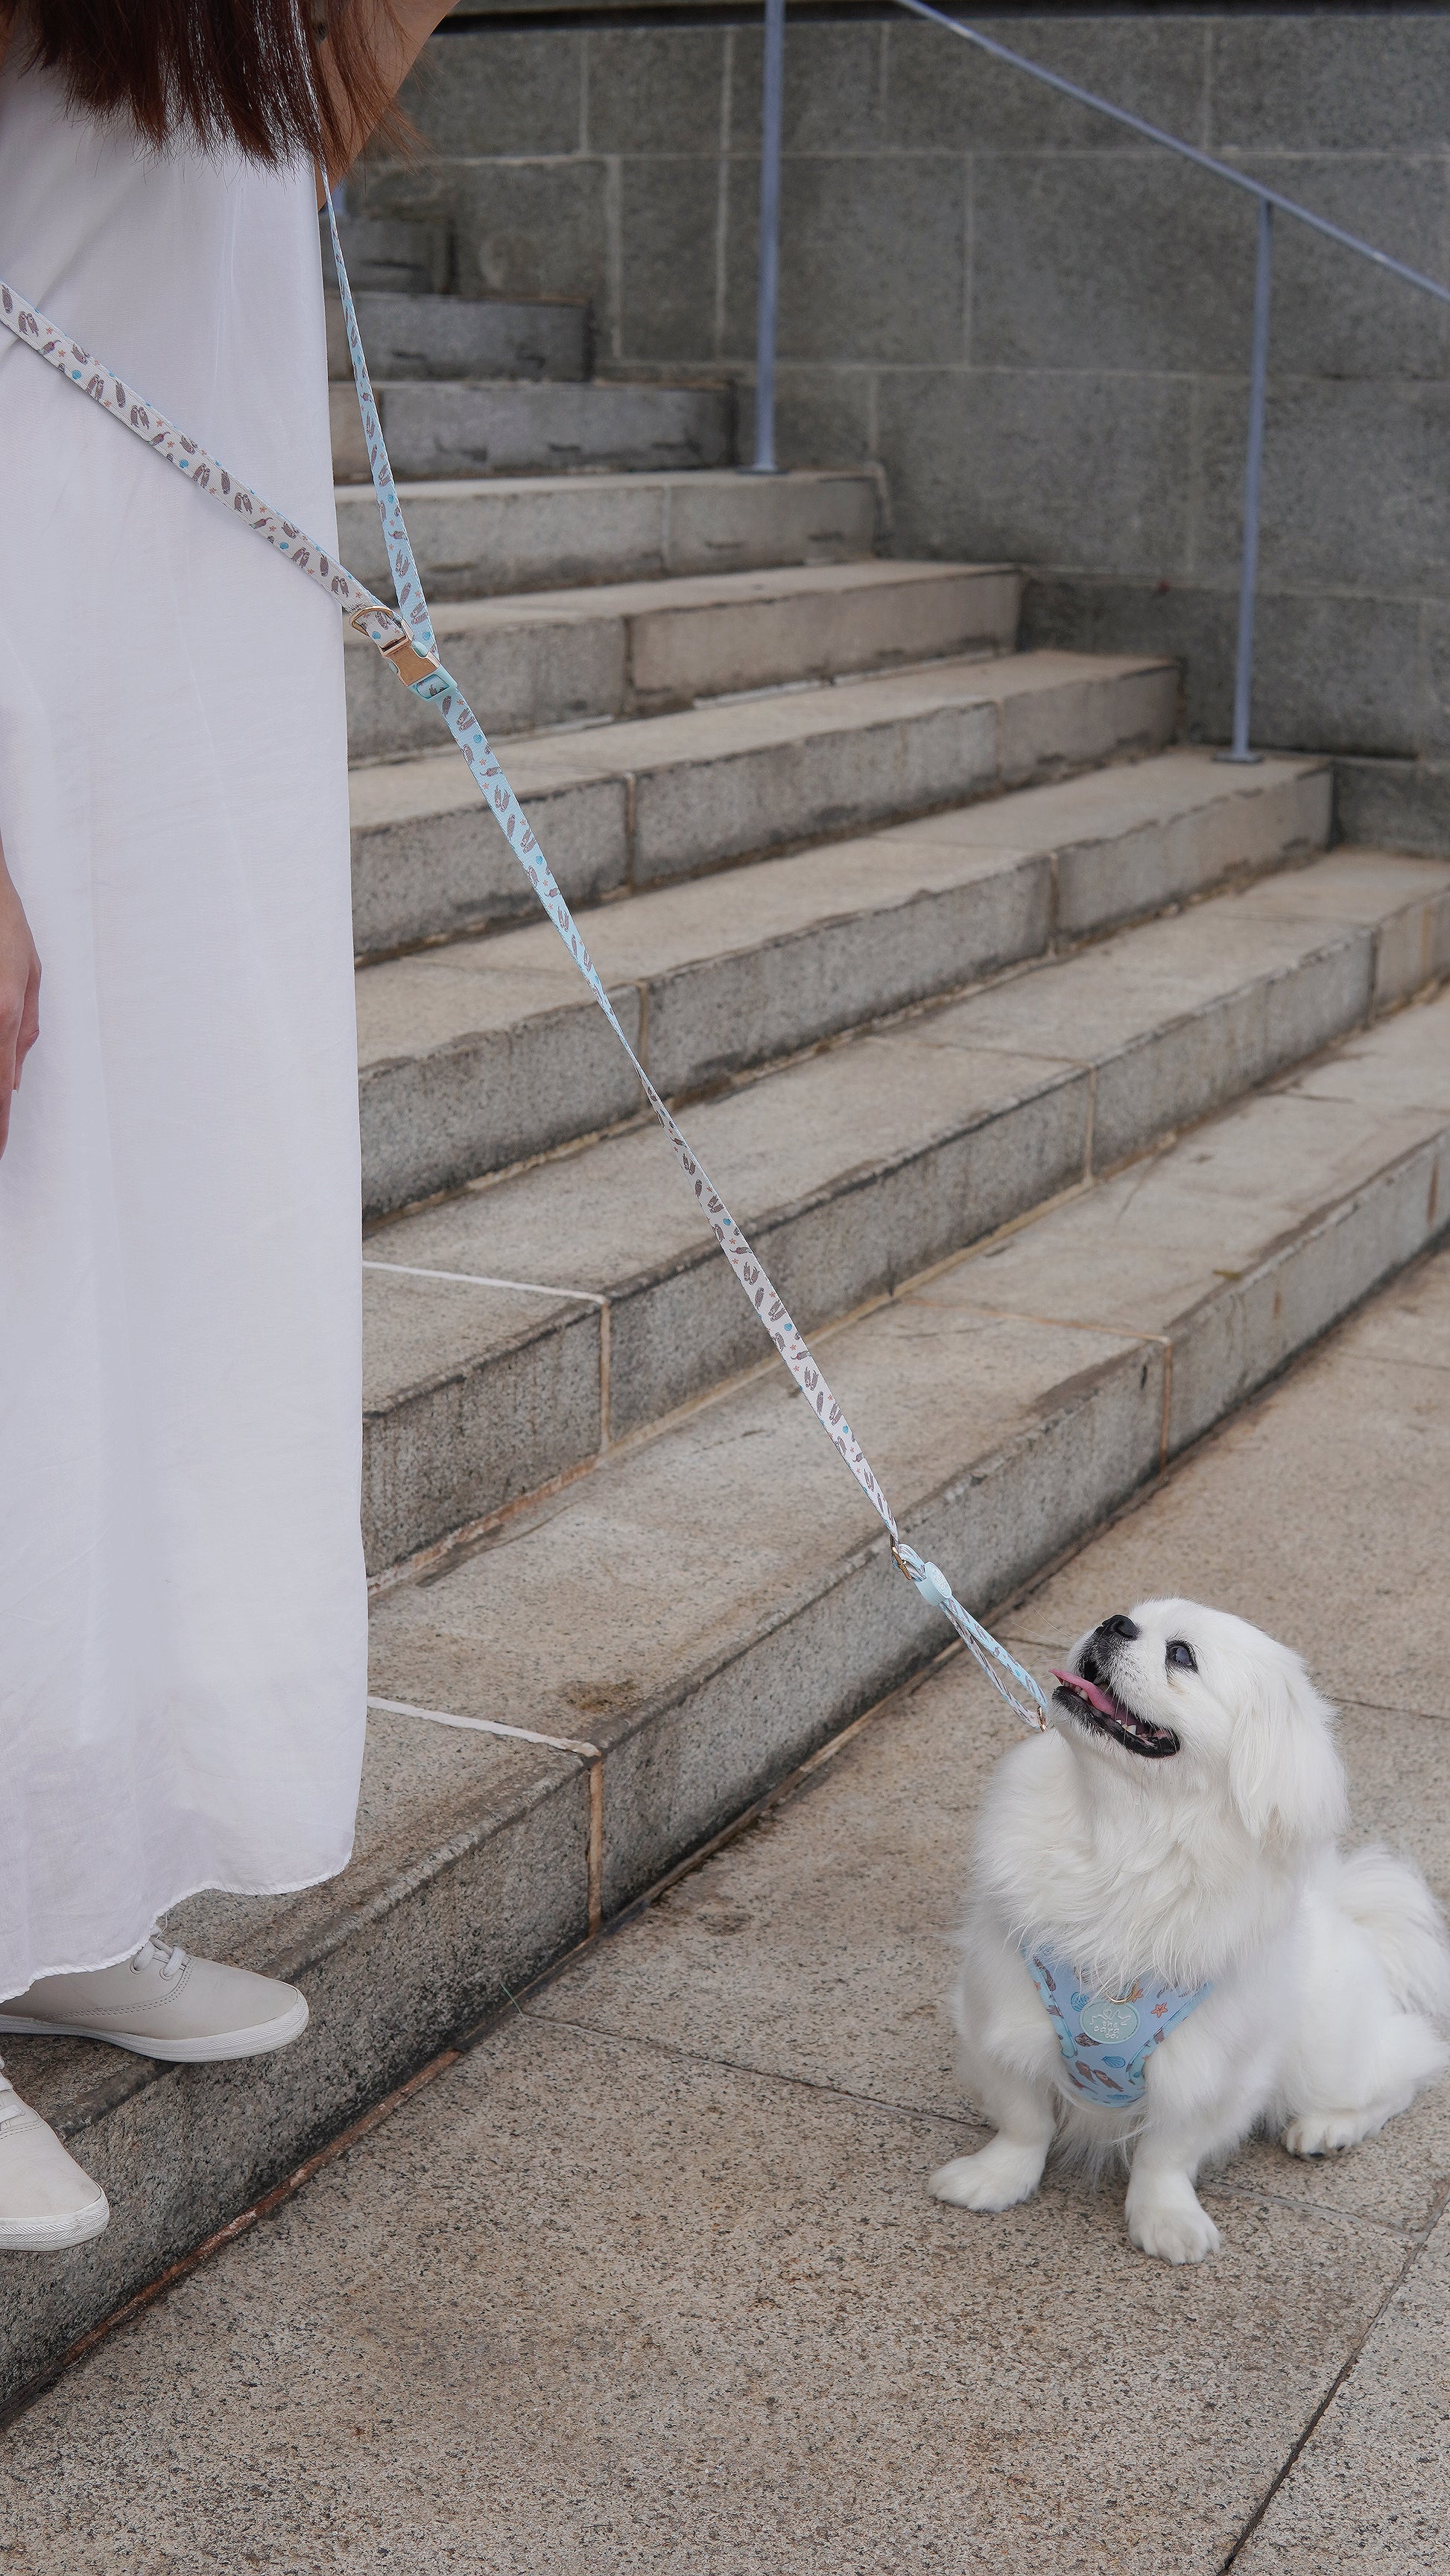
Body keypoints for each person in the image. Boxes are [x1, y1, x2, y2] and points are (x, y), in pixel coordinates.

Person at [0, 0, 452, 2251]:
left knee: (172, 1276)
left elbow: (306, 121)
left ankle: (58, 1873)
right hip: (27, 641)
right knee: (23, 1290)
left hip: (189, 649)